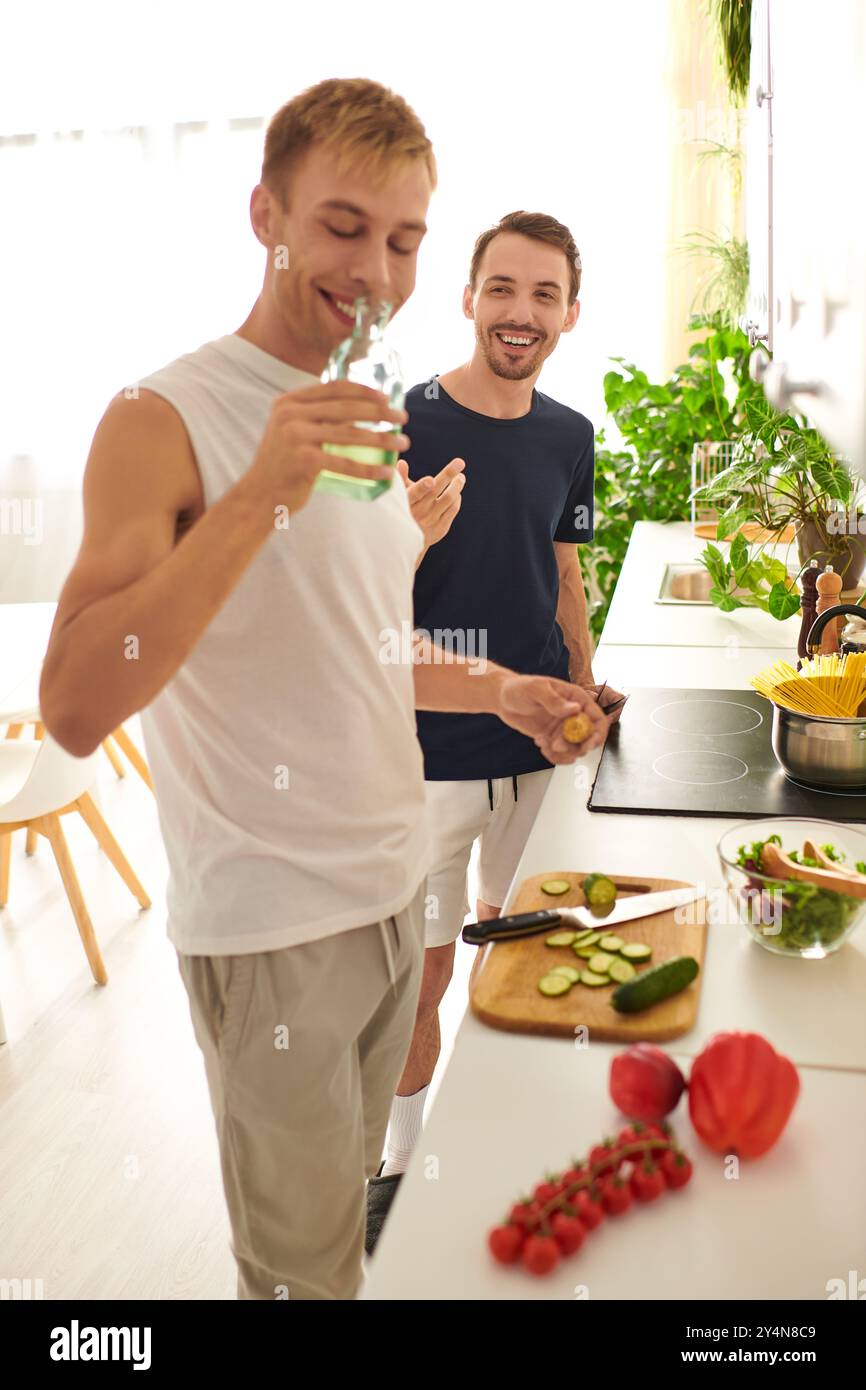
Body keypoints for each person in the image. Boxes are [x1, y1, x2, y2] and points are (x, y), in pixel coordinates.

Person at [39, 82, 608, 1300]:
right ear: (268, 215)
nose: (377, 267)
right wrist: (257, 496)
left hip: (384, 899)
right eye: (344, 227)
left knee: (343, 1238)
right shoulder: (162, 417)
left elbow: (362, 651)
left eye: (402, 239)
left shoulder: (371, 425)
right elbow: (81, 702)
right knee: (298, 1277)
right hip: (271, 930)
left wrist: (507, 687)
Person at [368, 212, 624, 1249]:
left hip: (535, 755)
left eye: (543, 295)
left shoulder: (570, 436)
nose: (521, 313)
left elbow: (564, 575)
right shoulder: (402, 423)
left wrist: (585, 689)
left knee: (516, 952)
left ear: (568, 313)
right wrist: (408, 539)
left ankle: (497, 1150)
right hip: (425, 756)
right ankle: (398, 1164)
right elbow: (362, 607)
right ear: (466, 297)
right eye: (502, 289)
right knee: (422, 973)